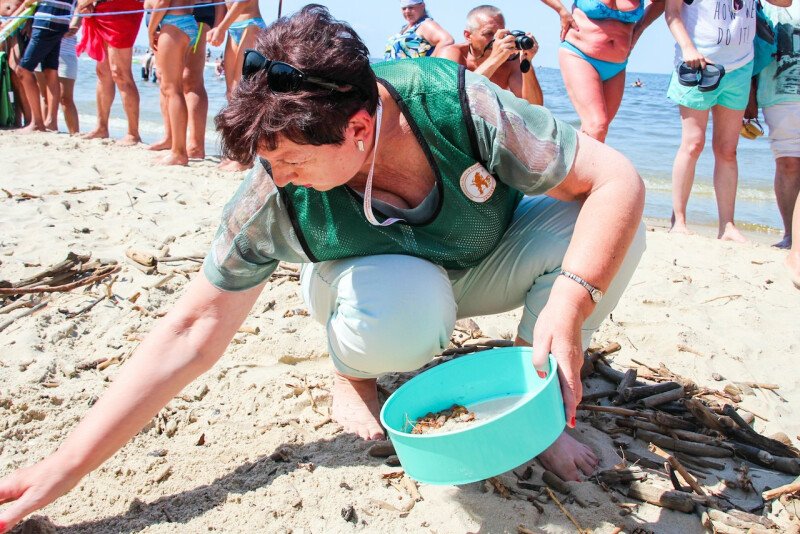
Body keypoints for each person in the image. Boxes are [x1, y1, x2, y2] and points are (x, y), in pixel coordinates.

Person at [0, 6, 647, 529]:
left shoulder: (456, 103)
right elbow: (191, 329)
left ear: (360, 127)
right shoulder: (272, 189)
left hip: (485, 253)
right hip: (377, 286)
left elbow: (615, 179)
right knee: (406, 313)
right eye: (269, 161)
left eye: (293, 163)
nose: (279, 179)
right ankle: (353, 373)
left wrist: (569, 301)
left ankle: (536, 398)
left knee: (609, 231)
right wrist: (66, 465)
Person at [665, 0, 792, 241]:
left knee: (727, 150)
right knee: (692, 144)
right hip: (698, 64)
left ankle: (728, 226)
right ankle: (678, 220)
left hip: (740, 68)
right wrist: (688, 48)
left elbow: (785, 2)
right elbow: (671, 13)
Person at [540, 0, 665, 142]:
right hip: (579, 54)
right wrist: (561, 10)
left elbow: (661, 2)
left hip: (617, 66)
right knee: (597, 126)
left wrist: (640, 28)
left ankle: (569, 162)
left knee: (597, 134)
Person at [754, 0, 800, 284]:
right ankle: (790, 234)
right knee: (789, 164)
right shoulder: (764, 6)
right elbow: (751, 50)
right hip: (777, 91)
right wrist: (748, 100)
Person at [149, 1, 221, 159]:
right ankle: (171, 139)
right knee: (165, 78)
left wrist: (218, 25)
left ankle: (194, 146)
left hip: (193, 15)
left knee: (189, 79)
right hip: (170, 16)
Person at [438, 5, 543, 106]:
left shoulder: (511, 60)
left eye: (501, 33)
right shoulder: (451, 54)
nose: (496, 39)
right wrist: (496, 59)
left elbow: (535, 108)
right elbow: (449, 101)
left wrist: (527, 63)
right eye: (489, 34)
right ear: (468, 35)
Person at [205, 0, 264, 170]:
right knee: (231, 94)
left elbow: (243, 2)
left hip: (251, 26)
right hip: (233, 28)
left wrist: (221, 28)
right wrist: (221, 27)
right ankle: (237, 152)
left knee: (242, 93)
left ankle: (245, 157)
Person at [76, 0, 143, 145]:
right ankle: (101, 127)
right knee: (102, 71)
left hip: (122, 6)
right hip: (101, 8)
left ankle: (133, 133)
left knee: (120, 72)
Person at [147, 0, 198, 165]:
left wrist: (150, 30)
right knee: (174, 87)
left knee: (171, 88)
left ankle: (179, 152)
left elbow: (163, 2)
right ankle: (177, 148)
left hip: (174, 23)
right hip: (188, 20)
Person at [14, 0, 75, 133]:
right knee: (50, 70)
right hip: (61, 21)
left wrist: (17, 15)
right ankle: (51, 122)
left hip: (46, 21)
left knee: (22, 70)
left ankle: (37, 122)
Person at [34, 14, 80, 134]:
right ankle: (47, 130)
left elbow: (73, 28)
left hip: (65, 53)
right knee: (44, 95)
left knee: (66, 98)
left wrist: (50, 31)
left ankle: (74, 133)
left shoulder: (75, 3)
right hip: (43, 48)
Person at [384, 0, 453, 60]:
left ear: (422, 6)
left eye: (411, 7)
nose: (407, 11)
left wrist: (429, 63)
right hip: (394, 74)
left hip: (414, 74)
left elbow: (447, 40)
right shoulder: (406, 28)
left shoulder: (425, 25)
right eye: (404, 8)